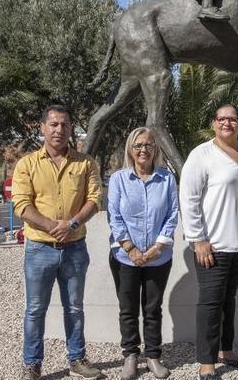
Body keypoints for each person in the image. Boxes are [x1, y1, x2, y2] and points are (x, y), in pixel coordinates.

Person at [12, 105, 103, 380]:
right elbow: (21, 205)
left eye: (64, 124)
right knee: (35, 309)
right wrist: (52, 226)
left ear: (71, 128)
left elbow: (95, 199)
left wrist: (72, 224)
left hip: (75, 248)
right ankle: (32, 364)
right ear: (42, 128)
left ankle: (77, 360)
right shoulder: (27, 164)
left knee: (74, 308)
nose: (59, 130)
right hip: (39, 248)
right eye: (53, 124)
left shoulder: (86, 163)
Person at [179, 104, 238, 380]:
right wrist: (197, 239)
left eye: (233, 119)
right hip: (213, 244)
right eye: (221, 119)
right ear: (213, 123)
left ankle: (227, 349)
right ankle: (206, 361)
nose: (227, 123)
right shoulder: (201, 154)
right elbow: (188, 199)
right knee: (211, 302)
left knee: (229, 299)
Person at [107, 127, 179, 379]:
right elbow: (114, 217)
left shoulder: (166, 179)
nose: (143, 150)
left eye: (148, 145)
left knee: (152, 308)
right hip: (125, 257)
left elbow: (172, 215)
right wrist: (131, 249)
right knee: (128, 309)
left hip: (158, 257)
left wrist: (157, 248)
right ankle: (130, 355)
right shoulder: (118, 179)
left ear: (155, 149)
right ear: (130, 149)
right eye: (138, 145)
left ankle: (153, 355)